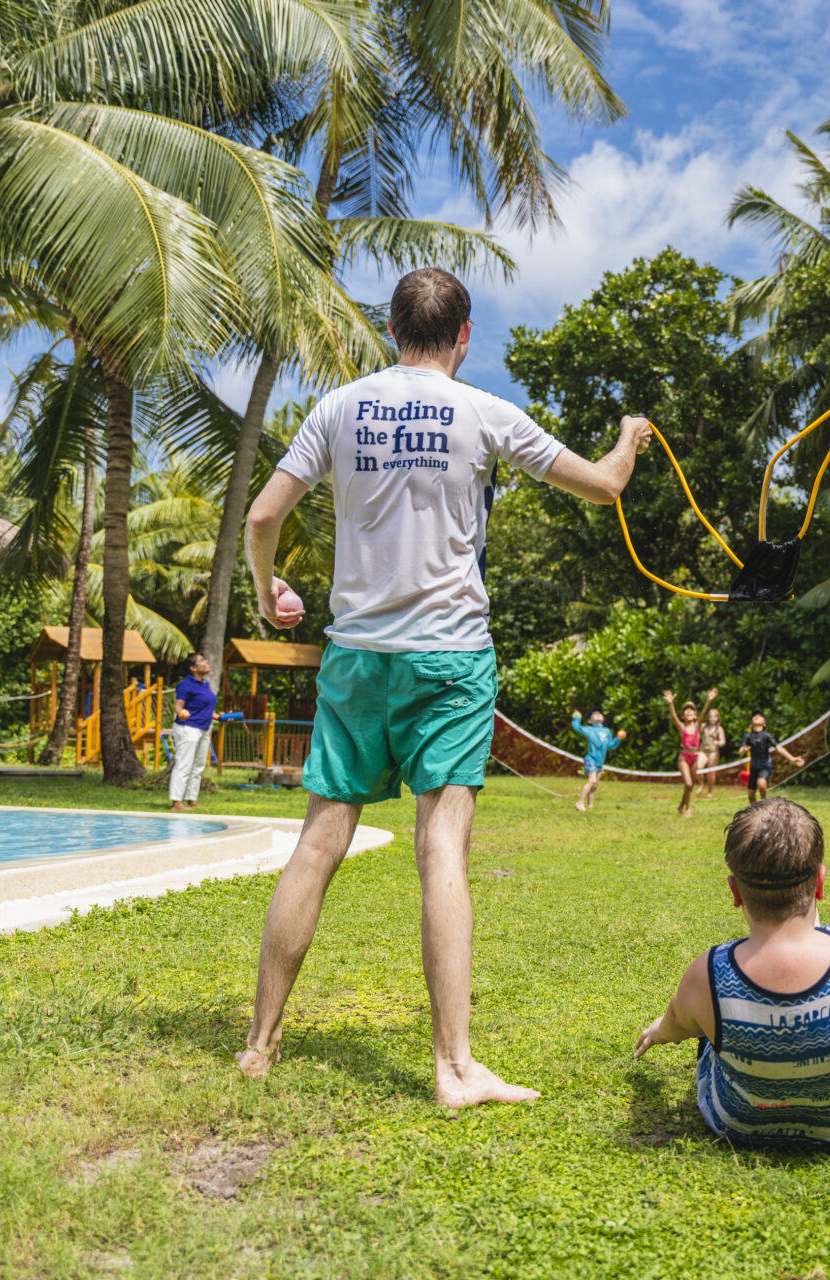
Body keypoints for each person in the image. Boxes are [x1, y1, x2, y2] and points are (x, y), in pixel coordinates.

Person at [237, 265, 654, 1106]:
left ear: (393, 330)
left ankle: (258, 1047)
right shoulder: (483, 411)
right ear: (464, 335)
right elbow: (606, 485)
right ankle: (455, 1068)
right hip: (451, 656)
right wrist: (628, 437)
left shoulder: (338, 408)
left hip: (357, 654)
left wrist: (265, 589)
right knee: (442, 846)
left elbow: (261, 516)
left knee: (319, 840)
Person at [633, 797, 830, 1152]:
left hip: (741, 1129)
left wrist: (658, 1030)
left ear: (735, 891)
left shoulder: (708, 972)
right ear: (820, 883)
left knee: (711, 1016)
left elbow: (675, 1026)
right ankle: (819, 936)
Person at [169, 652, 218, 811]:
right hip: (188, 728)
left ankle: (192, 799)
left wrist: (218, 716)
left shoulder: (205, 684)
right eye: (202, 660)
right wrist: (181, 713)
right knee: (184, 764)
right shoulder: (185, 685)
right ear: (193, 668)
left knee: (198, 766)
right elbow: (178, 706)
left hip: (203, 728)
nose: (206, 662)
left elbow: (204, 708)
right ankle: (176, 802)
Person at [662, 687, 716, 817]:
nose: (689, 711)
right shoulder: (682, 727)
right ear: (683, 716)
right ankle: (688, 808)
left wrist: (708, 700)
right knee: (688, 783)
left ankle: (681, 805)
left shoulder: (698, 726)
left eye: (691, 710)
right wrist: (671, 703)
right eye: (686, 710)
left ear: (695, 715)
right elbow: (673, 717)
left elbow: (704, 712)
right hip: (684, 758)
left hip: (695, 757)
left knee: (689, 786)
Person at [738, 711, 804, 803]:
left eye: (760, 716)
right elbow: (741, 750)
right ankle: (755, 809)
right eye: (754, 716)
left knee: (761, 783)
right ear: (751, 722)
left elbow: (779, 748)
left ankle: (764, 803)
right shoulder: (748, 735)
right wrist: (743, 750)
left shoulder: (766, 735)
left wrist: (792, 759)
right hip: (754, 767)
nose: (756, 717)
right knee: (751, 794)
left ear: (764, 723)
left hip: (765, 766)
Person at [570, 707, 625, 812]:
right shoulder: (589, 730)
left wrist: (618, 739)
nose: (598, 714)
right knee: (592, 781)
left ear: (603, 718)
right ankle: (580, 803)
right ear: (589, 721)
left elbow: (610, 746)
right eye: (594, 714)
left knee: (595, 785)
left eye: (600, 713)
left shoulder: (607, 731)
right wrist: (577, 718)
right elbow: (578, 728)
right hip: (590, 759)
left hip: (600, 762)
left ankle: (590, 806)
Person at [695, 706, 727, 799]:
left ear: (717, 718)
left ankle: (710, 791)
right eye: (711, 717)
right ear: (708, 718)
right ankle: (701, 784)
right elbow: (697, 735)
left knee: (711, 771)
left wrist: (718, 743)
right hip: (703, 750)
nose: (712, 719)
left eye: (714, 717)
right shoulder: (703, 726)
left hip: (713, 751)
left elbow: (723, 742)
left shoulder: (719, 729)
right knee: (698, 767)